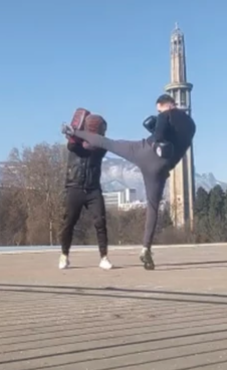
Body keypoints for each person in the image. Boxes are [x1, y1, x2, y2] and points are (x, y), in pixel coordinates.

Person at [62, 94, 196, 270]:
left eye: (159, 109)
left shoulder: (166, 115)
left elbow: (160, 131)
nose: (159, 113)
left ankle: (73, 132)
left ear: (166, 105)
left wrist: (158, 139)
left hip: (144, 151)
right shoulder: (192, 127)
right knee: (153, 208)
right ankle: (145, 248)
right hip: (161, 169)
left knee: (108, 143)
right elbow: (179, 147)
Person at [59, 114, 113, 270]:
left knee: (100, 222)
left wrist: (77, 133)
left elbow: (91, 147)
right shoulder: (75, 144)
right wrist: (73, 133)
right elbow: (72, 146)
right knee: (68, 223)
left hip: (92, 188)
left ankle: (104, 257)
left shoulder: (100, 147)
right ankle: (64, 255)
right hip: (74, 186)